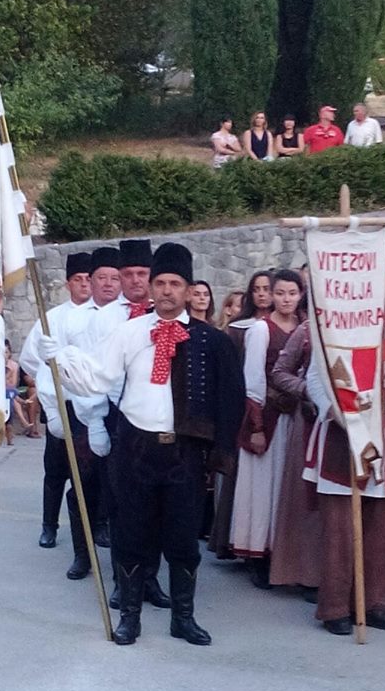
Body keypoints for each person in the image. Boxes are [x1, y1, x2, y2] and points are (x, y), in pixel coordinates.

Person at [39, 242, 245, 646]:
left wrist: (221, 453)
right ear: (151, 287)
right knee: (132, 534)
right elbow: (96, 379)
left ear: (189, 290)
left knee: (183, 540)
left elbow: (231, 398)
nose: (167, 290)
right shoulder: (129, 332)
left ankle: (183, 618)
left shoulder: (211, 340)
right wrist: (60, 358)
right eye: (161, 283)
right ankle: (130, 617)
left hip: (185, 453)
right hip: (135, 449)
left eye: (175, 284)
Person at [304, 256, 385, 635]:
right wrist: (336, 412)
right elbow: (316, 376)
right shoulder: (332, 321)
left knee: (383, 525)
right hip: (344, 431)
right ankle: (336, 607)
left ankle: (375, 604)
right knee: (340, 527)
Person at [85, 238, 170, 611]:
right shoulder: (105, 318)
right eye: (128, 274)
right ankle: (125, 580)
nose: (136, 280)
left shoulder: (166, 314)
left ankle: (150, 577)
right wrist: (94, 422)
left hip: (157, 417)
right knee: (123, 506)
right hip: (115, 417)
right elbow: (91, 373)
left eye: (142, 273)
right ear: (119, 276)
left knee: (157, 505)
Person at [20, 250, 116, 574]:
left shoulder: (105, 315)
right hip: (62, 407)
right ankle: (50, 525)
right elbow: (31, 360)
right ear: (68, 283)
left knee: (93, 476)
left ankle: (98, 525)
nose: (85, 285)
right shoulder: (54, 318)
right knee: (56, 470)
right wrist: (48, 390)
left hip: (97, 407)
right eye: (78, 279)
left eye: (89, 279)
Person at [230, 269, 303, 586]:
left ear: (300, 295)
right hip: (269, 416)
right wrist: (257, 425)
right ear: (271, 295)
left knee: (288, 488)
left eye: (292, 293)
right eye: (281, 293)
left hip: (297, 416)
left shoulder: (305, 327)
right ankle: (258, 554)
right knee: (263, 488)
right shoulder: (261, 329)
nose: (286, 299)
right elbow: (253, 379)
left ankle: (285, 554)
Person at [270, 320, 321, 597]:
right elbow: (279, 373)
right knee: (307, 498)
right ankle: (308, 574)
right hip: (312, 420)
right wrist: (306, 389)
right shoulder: (306, 330)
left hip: (353, 422)